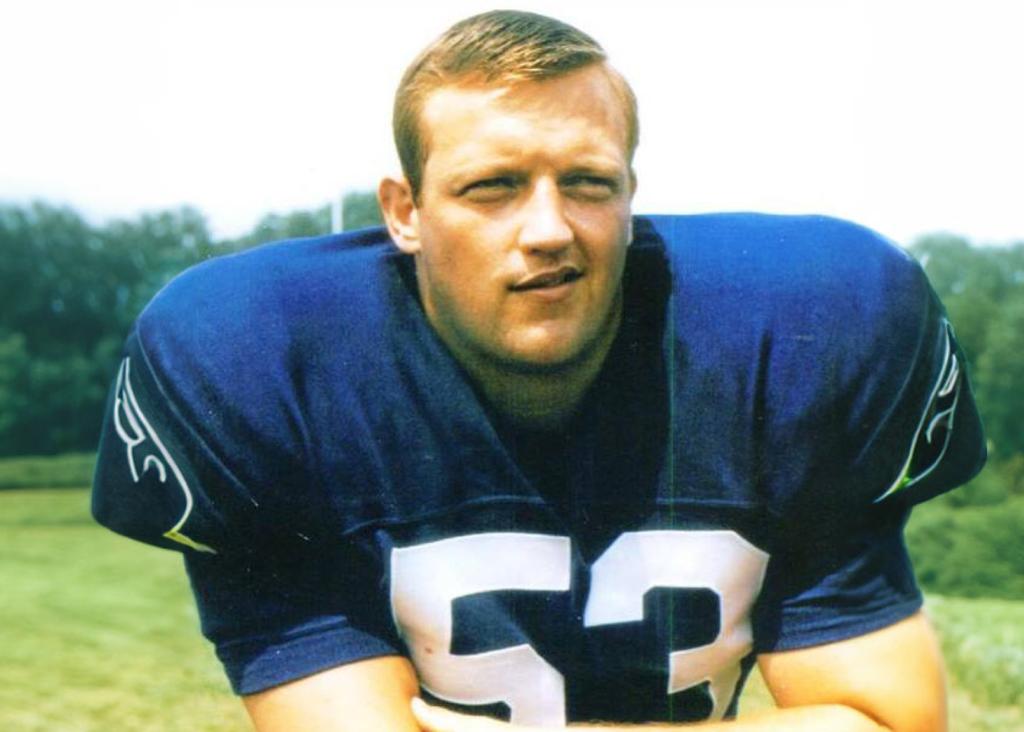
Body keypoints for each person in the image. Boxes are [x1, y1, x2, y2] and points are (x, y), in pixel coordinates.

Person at [92, 10, 985, 732]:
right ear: (405, 212)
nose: (550, 227)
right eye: (494, 187)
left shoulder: (806, 335)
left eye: (589, 182)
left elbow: (885, 718)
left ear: (633, 194)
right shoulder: (254, 364)